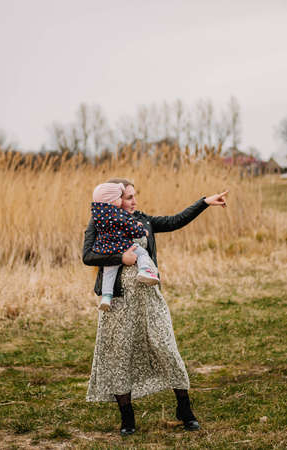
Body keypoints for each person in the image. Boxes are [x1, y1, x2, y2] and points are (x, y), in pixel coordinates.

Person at [83, 178, 228, 436]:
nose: (133, 201)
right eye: (128, 197)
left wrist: (204, 202)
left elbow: (175, 221)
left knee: (166, 347)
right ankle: (127, 418)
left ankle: (184, 409)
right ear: (114, 200)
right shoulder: (99, 222)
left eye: (133, 196)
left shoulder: (142, 221)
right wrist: (120, 258)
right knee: (120, 356)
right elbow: (88, 255)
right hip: (118, 303)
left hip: (150, 300)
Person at [91, 182, 159, 311]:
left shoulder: (97, 215)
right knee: (142, 253)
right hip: (122, 245)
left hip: (107, 249)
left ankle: (106, 297)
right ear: (111, 200)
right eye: (119, 198)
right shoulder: (117, 214)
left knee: (108, 273)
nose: (120, 201)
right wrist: (141, 231)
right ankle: (144, 270)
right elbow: (129, 227)